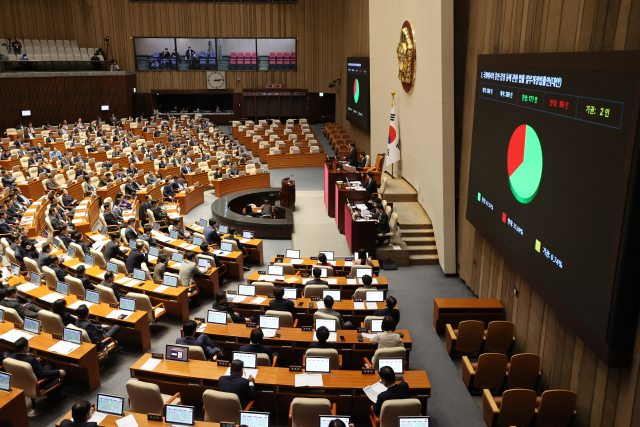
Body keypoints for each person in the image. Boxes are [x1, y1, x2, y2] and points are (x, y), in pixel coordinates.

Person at [10, 337, 67, 402]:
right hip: (39, 383)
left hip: (21, 382)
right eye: (28, 344)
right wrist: (58, 372)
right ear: (25, 349)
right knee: (65, 371)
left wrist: (34, 361)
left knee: (52, 365)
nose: (29, 345)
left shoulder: (12, 356)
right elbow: (42, 374)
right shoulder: (31, 360)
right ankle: (56, 395)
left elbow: (23, 359)